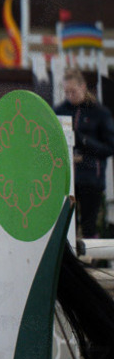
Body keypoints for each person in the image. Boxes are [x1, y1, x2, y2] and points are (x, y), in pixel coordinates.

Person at [54, 69, 114, 239]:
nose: (69, 95)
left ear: (83, 87)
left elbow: (110, 147)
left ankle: (90, 254)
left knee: (89, 226)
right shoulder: (60, 111)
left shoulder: (100, 113)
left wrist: (84, 141)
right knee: (67, 225)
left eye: (73, 91)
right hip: (66, 178)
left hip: (91, 178)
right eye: (66, 92)